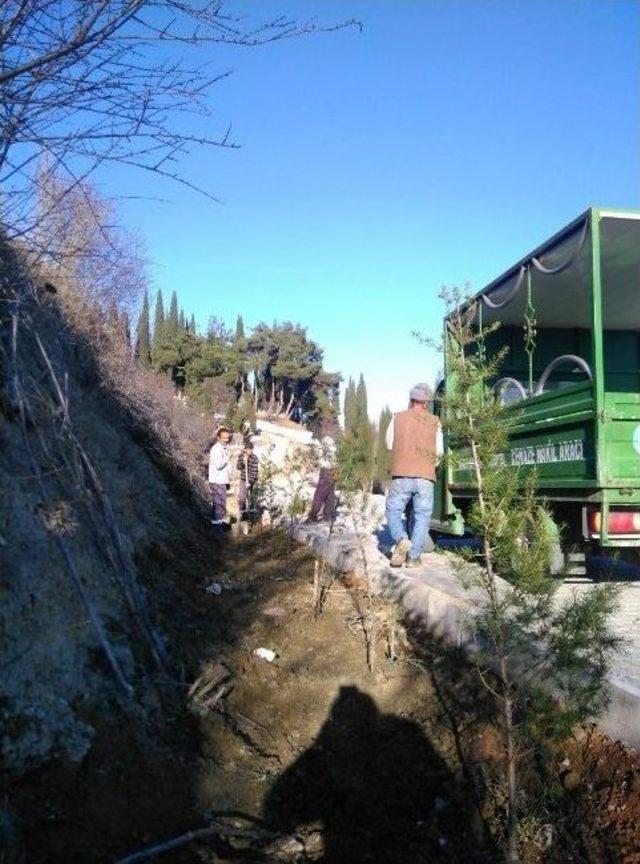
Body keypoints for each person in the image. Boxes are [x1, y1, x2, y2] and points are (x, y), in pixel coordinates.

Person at [385, 383, 443, 568]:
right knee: (422, 516)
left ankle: (401, 539)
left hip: (401, 474)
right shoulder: (435, 422)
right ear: (427, 403)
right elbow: (439, 454)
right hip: (425, 477)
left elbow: (388, 444)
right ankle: (414, 558)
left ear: (411, 400)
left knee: (393, 510)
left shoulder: (397, 418)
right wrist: (427, 467)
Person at [306, 435, 337, 524]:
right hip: (332, 471)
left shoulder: (326, 451)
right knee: (329, 495)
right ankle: (327, 517)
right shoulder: (332, 451)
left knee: (320, 495)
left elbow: (319, 461)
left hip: (327, 471)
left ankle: (313, 516)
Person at [208, 424, 232, 532]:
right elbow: (218, 465)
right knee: (219, 505)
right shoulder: (216, 449)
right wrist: (227, 458)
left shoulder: (224, 448)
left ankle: (216, 528)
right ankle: (217, 532)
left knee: (220, 505)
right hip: (217, 481)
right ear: (218, 437)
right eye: (224, 438)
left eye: (228, 438)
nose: (226, 440)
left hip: (221, 481)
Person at [236, 438, 259, 518]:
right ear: (245, 449)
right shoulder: (241, 456)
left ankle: (252, 514)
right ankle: (242, 513)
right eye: (248, 449)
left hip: (252, 481)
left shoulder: (254, 458)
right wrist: (243, 461)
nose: (250, 451)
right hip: (243, 480)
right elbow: (238, 467)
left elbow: (254, 471)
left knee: (252, 498)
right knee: (242, 498)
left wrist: (250, 482)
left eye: (251, 449)